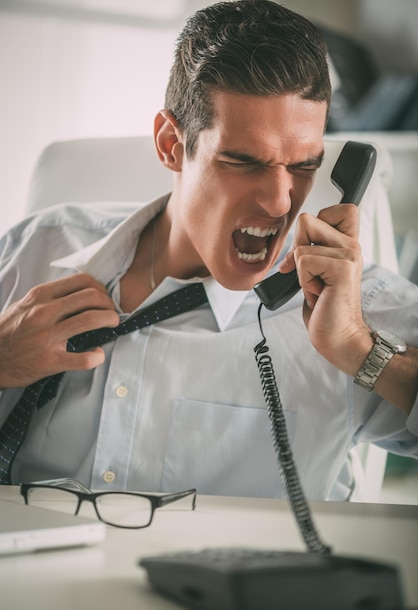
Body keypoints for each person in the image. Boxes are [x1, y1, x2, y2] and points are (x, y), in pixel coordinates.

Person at [0, 0, 417, 500]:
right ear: (171, 144)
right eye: (243, 161)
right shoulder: (35, 249)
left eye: (304, 166)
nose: (280, 200)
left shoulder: (357, 307)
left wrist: (360, 348)